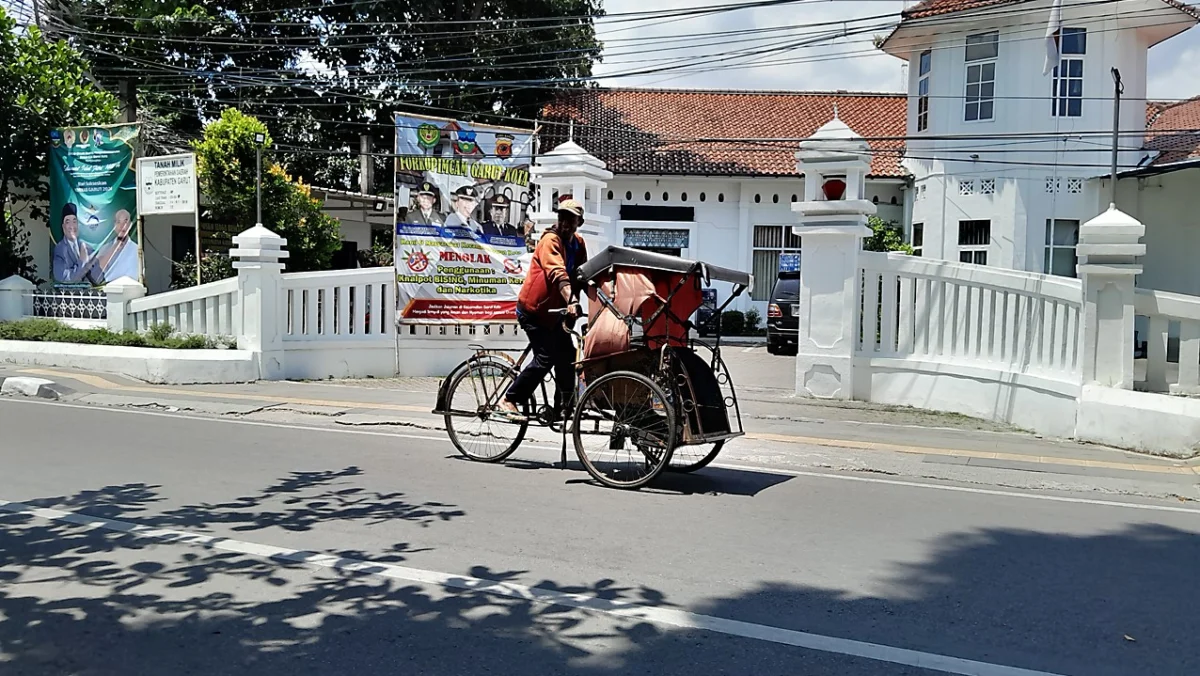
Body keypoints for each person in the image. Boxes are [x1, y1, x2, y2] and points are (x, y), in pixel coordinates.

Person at [498, 199, 588, 421]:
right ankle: (509, 399)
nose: (565, 223)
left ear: (579, 222)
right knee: (545, 357)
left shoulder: (578, 243)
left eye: (571, 219)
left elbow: (584, 276)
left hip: (555, 314)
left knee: (568, 356)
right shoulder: (549, 241)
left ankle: (563, 409)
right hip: (534, 312)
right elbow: (558, 274)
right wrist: (571, 300)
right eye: (562, 218)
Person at [52, 203, 103, 285]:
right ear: (63, 227)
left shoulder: (87, 248)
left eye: (74, 221)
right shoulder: (60, 249)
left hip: (89, 295)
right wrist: (82, 262)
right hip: (68, 295)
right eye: (68, 222)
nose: (72, 226)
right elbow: (62, 277)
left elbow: (98, 278)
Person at [98, 209, 139, 283]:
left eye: (125, 222)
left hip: (132, 289)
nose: (122, 226)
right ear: (114, 226)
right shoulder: (105, 248)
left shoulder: (137, 249)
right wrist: (115, 247)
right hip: (111, 289)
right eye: (118, 222)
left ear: (130, 225)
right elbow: (98, 269)